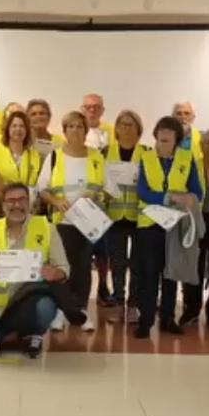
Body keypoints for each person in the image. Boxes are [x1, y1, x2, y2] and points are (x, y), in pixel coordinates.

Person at [0, 183, 78, 358]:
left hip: (30, 301)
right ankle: (9, 328)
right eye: (11, 200)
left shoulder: (47, 228)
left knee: (45, 308)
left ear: (29, 202)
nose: (17, 205)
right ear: (3, 205)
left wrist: (56, 273)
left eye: (22, 199)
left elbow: (64, 268)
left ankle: (33, 332)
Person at [133, 116, 202, 339]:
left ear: (176, 139)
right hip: (149, 224)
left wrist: (189, 198)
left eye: (168, 134)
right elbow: (143, 192)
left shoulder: (186, 158)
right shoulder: (146, 157)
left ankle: (168, 319)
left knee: (171, 273)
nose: (163, 138)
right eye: (160, 133)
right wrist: (169, 198)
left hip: (175, 224)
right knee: (149, 274)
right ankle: (145, 321)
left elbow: (197, 191)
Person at [37, 111, 106, 332]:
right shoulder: (54, 157)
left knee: (83, 267)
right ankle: (61, 310)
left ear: (86, 130)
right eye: (71, 126)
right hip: (62, 221)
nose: (75, 130)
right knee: (62, 266)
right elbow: (42, 189)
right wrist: (56, 202)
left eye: (79, 126)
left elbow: (104, 187)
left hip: (88, 221)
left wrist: (95, 195)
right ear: (64, 130)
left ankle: (81, 310)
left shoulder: (96, 156)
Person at [180, 128, 209, 327]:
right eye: (206, 142)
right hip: (195, 220)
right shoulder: (192, 166)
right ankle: (191, 309)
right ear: (200, 145)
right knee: (193, 266)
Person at [102, 110, 146, 325]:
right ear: (116, 129)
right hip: (114, 216)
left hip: (139, 217)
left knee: (137, 264)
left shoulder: (147, 154)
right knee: (117, 263)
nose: (126, 129)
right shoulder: (105, 152)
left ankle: (134, 304)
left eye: (131, 125)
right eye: (122, 124)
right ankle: (119, 303)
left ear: (138, 130)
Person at [82, 94, 116, 302]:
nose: (92, 110)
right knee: (82, 251)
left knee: (103, 249)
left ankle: (103, 287)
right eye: (88, 107)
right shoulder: (75, 130)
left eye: (96, 107)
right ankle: (80, 292)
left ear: (102, 110)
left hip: (102, 199)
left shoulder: (111, 132)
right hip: (80, 200)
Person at [0, 111, 41, 211]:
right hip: (2, 207)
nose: (18, 129)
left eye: (22, 126)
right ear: (8, 129)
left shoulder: (34, 155)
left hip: (27, 208)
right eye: (14, 126)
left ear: (27, 130)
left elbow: (35, 184)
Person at [172, 101, 205, 189]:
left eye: (187, 113)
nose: (183, 117)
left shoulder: (203, 138)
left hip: (196, 189)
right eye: (179, 113)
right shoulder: (164, 138)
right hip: (172, 189)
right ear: (173, 117)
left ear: (193, 117)